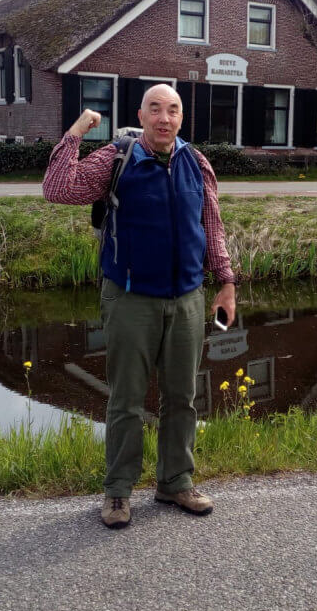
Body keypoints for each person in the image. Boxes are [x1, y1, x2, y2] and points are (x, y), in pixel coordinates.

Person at [43, 83, 237, 529]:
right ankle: (118, 492)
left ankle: (175, 482)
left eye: (173, 110)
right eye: (156, 109)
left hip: (187, 297)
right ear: (141, 115)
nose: (164, 118)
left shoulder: (197, 163)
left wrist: (225, 282)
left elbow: (212, 226)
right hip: (130, 298)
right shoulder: (117, 157)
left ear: (181, 119)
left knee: (182, 397)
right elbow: (57, 188)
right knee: (127, 400)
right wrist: (78, 128)